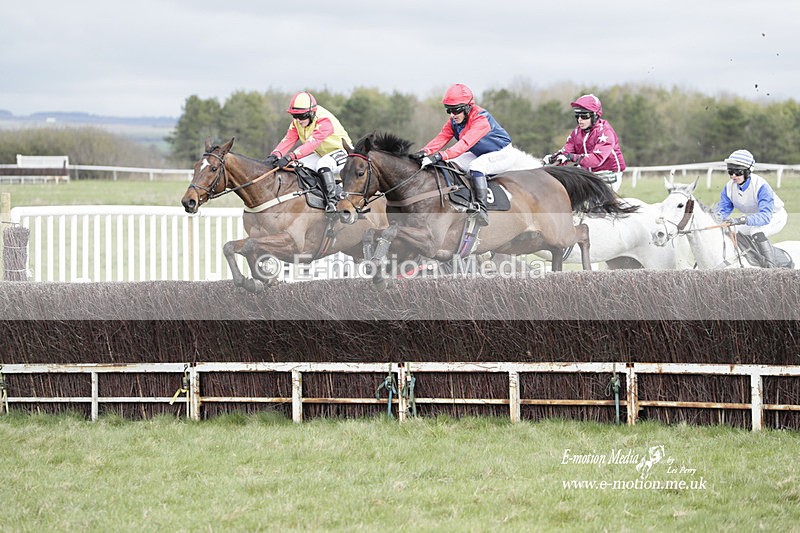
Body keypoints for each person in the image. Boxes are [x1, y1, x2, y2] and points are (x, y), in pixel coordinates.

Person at [412, 83, 515, 226]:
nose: (453, 115)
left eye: (456, 110)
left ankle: (482, 209)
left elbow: (464, 145)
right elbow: (441, 138)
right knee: (450, 165)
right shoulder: (454, 122)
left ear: (467, 107)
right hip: (479, 153)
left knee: (476, 167)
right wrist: (424, 152)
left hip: (502, 153)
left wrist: (439, 156)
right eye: (449, 111)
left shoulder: (481, 120)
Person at [265, 91, 353, 212]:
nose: (298, 120)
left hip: (342, 152)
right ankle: (313, 195)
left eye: (301, 116)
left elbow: (311, 144)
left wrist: (289, 157)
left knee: (323, 164)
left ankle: (332, 201)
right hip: (321, 154)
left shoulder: (324, 120)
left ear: (311, 113)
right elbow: (288, 139)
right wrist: (275, 155)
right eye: (294, 116)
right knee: (296, 166)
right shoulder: (298, 121)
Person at [716, 149, 790, 268]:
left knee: (756, 231)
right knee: (730, 231)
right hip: (751, 218)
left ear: (748, 171)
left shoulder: (761, 186)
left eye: (738, 172)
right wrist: (713, 219)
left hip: (774, 216)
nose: (733, 176)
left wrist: (741, 220)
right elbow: (722, 210)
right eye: (730, 171)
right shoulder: (729, 187)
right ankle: (747, 258)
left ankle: (772, 268)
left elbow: (765, 216)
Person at [543, 94, 627, 191]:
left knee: (592, 203)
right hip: (589, 175)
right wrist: (552, 159)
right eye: (577, 116)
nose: (579, 120)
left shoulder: (605, 132)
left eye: (584, 116)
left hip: (608, 175)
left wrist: (572, 157)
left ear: (595, 115)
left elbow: (596, 159)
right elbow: (566, 153)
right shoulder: (576, 132)